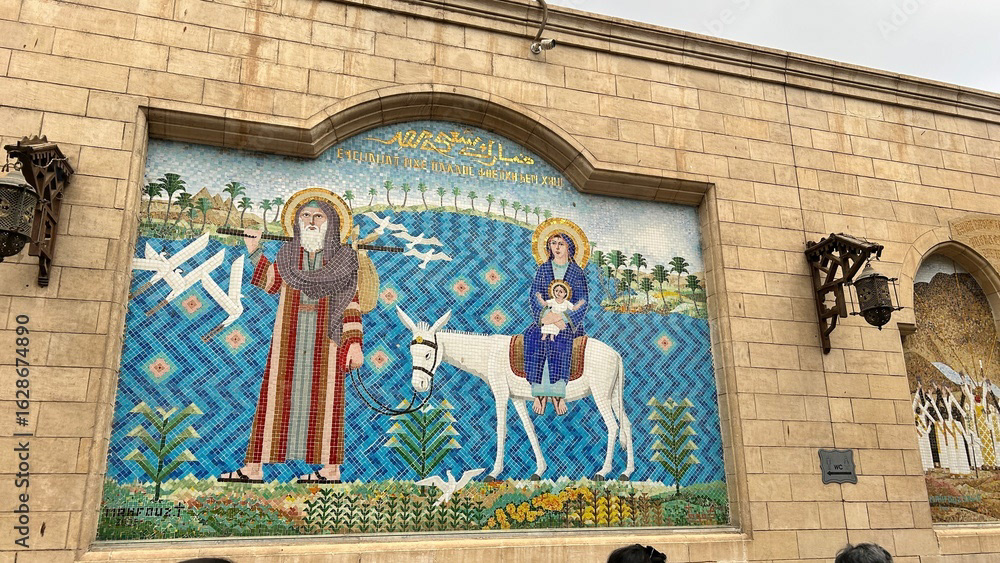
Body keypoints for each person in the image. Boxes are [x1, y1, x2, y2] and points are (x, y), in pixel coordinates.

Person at [219, 191, 363, 485]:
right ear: (296, 222)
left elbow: (351, 301)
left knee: (328, 403)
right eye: (305, 216)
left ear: (331, 221)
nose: (311, 221)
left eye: (318, 216)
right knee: (274, 398)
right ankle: (253, 469)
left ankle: (330, 471)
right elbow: (269, 283)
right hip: (289, 338)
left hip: (328, 341)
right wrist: (254, 250)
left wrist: (355, 343)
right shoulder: (287, 256)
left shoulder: (343, 259)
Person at [524, 221, 589, 417]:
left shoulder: (577, 272)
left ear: (569, 246)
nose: (557, 247)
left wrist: (565, 319)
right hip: (546, 318)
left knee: (561, 342)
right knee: (531, 337)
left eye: (561, 243)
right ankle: (539, 393)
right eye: (553, 243)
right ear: (548, 247)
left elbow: (583, 300)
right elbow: (535, 293)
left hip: (566, 322)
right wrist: (545, 315)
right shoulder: (544, 269)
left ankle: (558, 394)